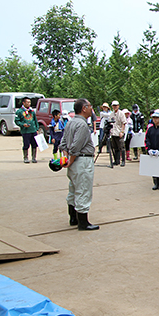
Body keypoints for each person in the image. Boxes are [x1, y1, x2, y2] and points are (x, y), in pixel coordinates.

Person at [59, 98, 99, 230]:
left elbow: (63, 143)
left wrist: (66, 159)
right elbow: (76, 146)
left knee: (74, 189)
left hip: (74, 161)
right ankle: (83, 222)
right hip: (82, 160)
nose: (91, 109)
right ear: (84, 108)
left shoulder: (71, 123)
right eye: (89, 106)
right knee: (83, 190)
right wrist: (70, 161)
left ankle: (73, 217)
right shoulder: (82, 125)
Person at [145, 111, 159, 191]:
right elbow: (147, 139)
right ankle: (155, 183)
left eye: (156, 118)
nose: (155, 120)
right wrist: (149, 149)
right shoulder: (150, 129)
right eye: (154, 118)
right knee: (153, 168)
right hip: (152, 151)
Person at [14, 97, 39, 163]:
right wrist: (22, 124)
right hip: (25, 131)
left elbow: (35, 120)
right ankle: (26, 157)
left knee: (34, 144)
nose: (29, 104)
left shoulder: (32, 111)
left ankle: (34, 158)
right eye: (27, 102)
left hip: (33, 130)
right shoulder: (19, 111)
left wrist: (37, 128)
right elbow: (17, 121)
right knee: (26, 144)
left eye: (29, 102)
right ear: (23, 103)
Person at [110, 100, 127, 167]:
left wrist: (122, 131)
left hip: (119, 132)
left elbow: (124, 123)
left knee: (121, 147)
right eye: (114, 106)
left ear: (118, 106)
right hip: (113, 132)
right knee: (115, 147)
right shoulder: (111, 114)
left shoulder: (121, 113)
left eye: (116, 106)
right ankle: (116, 160)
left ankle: (123, 161)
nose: (115, 107)